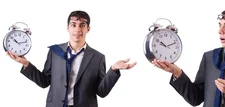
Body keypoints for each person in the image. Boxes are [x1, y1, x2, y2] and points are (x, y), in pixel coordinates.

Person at [6, 10, 137, 107]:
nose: (77, 29)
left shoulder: (98, 58)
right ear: (68, 27)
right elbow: (44, 82)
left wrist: (113, 70)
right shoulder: (54, 52)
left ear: (88, 28)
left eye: (82, 25)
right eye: (73, 25)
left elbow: (101, 92)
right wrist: (25, 64)